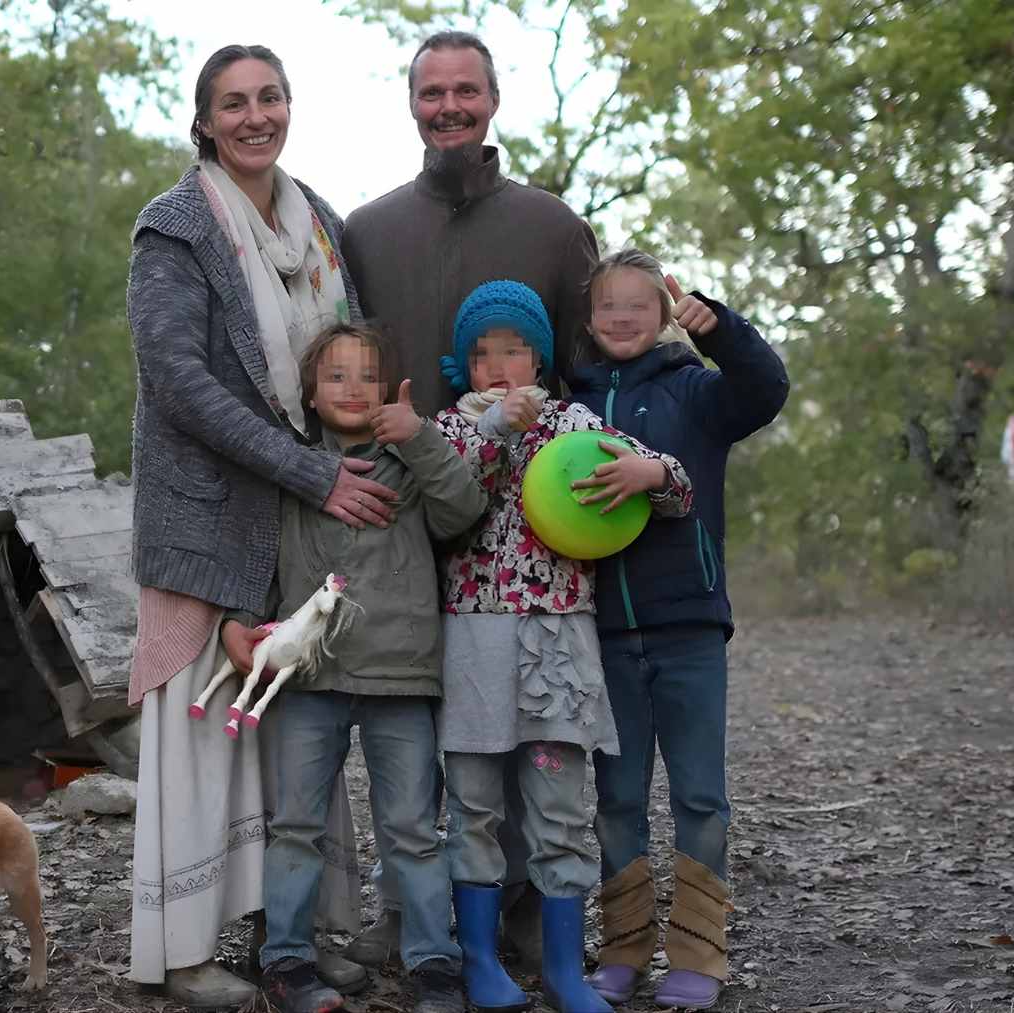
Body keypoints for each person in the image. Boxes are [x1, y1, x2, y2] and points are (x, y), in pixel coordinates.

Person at [125, 44, 396, 1009]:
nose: (254, 116)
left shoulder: (315, 220)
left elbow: (345, 361)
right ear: (203, 121)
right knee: (202, 733)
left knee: (297, 731)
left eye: (269, 97)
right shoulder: (177, 226)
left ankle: (305, 932)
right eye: (232, 103)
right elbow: (182, 384)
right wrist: (312, 472)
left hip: (297, 517)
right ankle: (184, 950)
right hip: (204, 517)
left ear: (290, 105)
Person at [339, 28, 600, 967]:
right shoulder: (367, 230)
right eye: (431, 92)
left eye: (466, 91)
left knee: (525, 723)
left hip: (525, 538)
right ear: (412, 103)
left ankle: (527, 910)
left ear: (493, 101)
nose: (448, 106)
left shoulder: (551, 226)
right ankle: (413, 910)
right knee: (415, 728)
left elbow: (586, 375)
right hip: (398, 516)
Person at [431, 281, 692, 1013]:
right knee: (475, 804)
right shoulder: (449, 431)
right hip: (474, 640)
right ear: (467, 367)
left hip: (558, 642)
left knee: (557, 807)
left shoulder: (575, 423)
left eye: (514, 349)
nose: (499, 366)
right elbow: (450, 507)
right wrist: (496, 433)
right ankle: (481, 962)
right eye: (482, 354)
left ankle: (562, 969)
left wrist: (653, 472)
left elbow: (675, 488)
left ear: (539, 357)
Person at [237, 323, 485, 1013]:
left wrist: (416, 435)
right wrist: (240, 619)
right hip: (309, 678)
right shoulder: (290, 469)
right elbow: (259, 557)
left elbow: (463, 507)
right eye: (336, 375)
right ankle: (286, 961)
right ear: (311, 394)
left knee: (411, 828)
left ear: (387, 390)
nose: (352, 387)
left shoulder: (407, 463)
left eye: (366, 375)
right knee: (295, 825)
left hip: (400, 676)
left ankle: (435, 963)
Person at [567, 249, 788, 1011]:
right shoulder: (572, 402)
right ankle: (625, 945)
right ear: (589, 321)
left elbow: (767, 389)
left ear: (662, 315)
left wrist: (721, 329)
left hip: (689, 623)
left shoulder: (697, 390)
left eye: (639, 304)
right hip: (602, 631)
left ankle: (698, 951)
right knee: (616, 797)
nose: (623, 317)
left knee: (699, 795)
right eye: (608, 306)